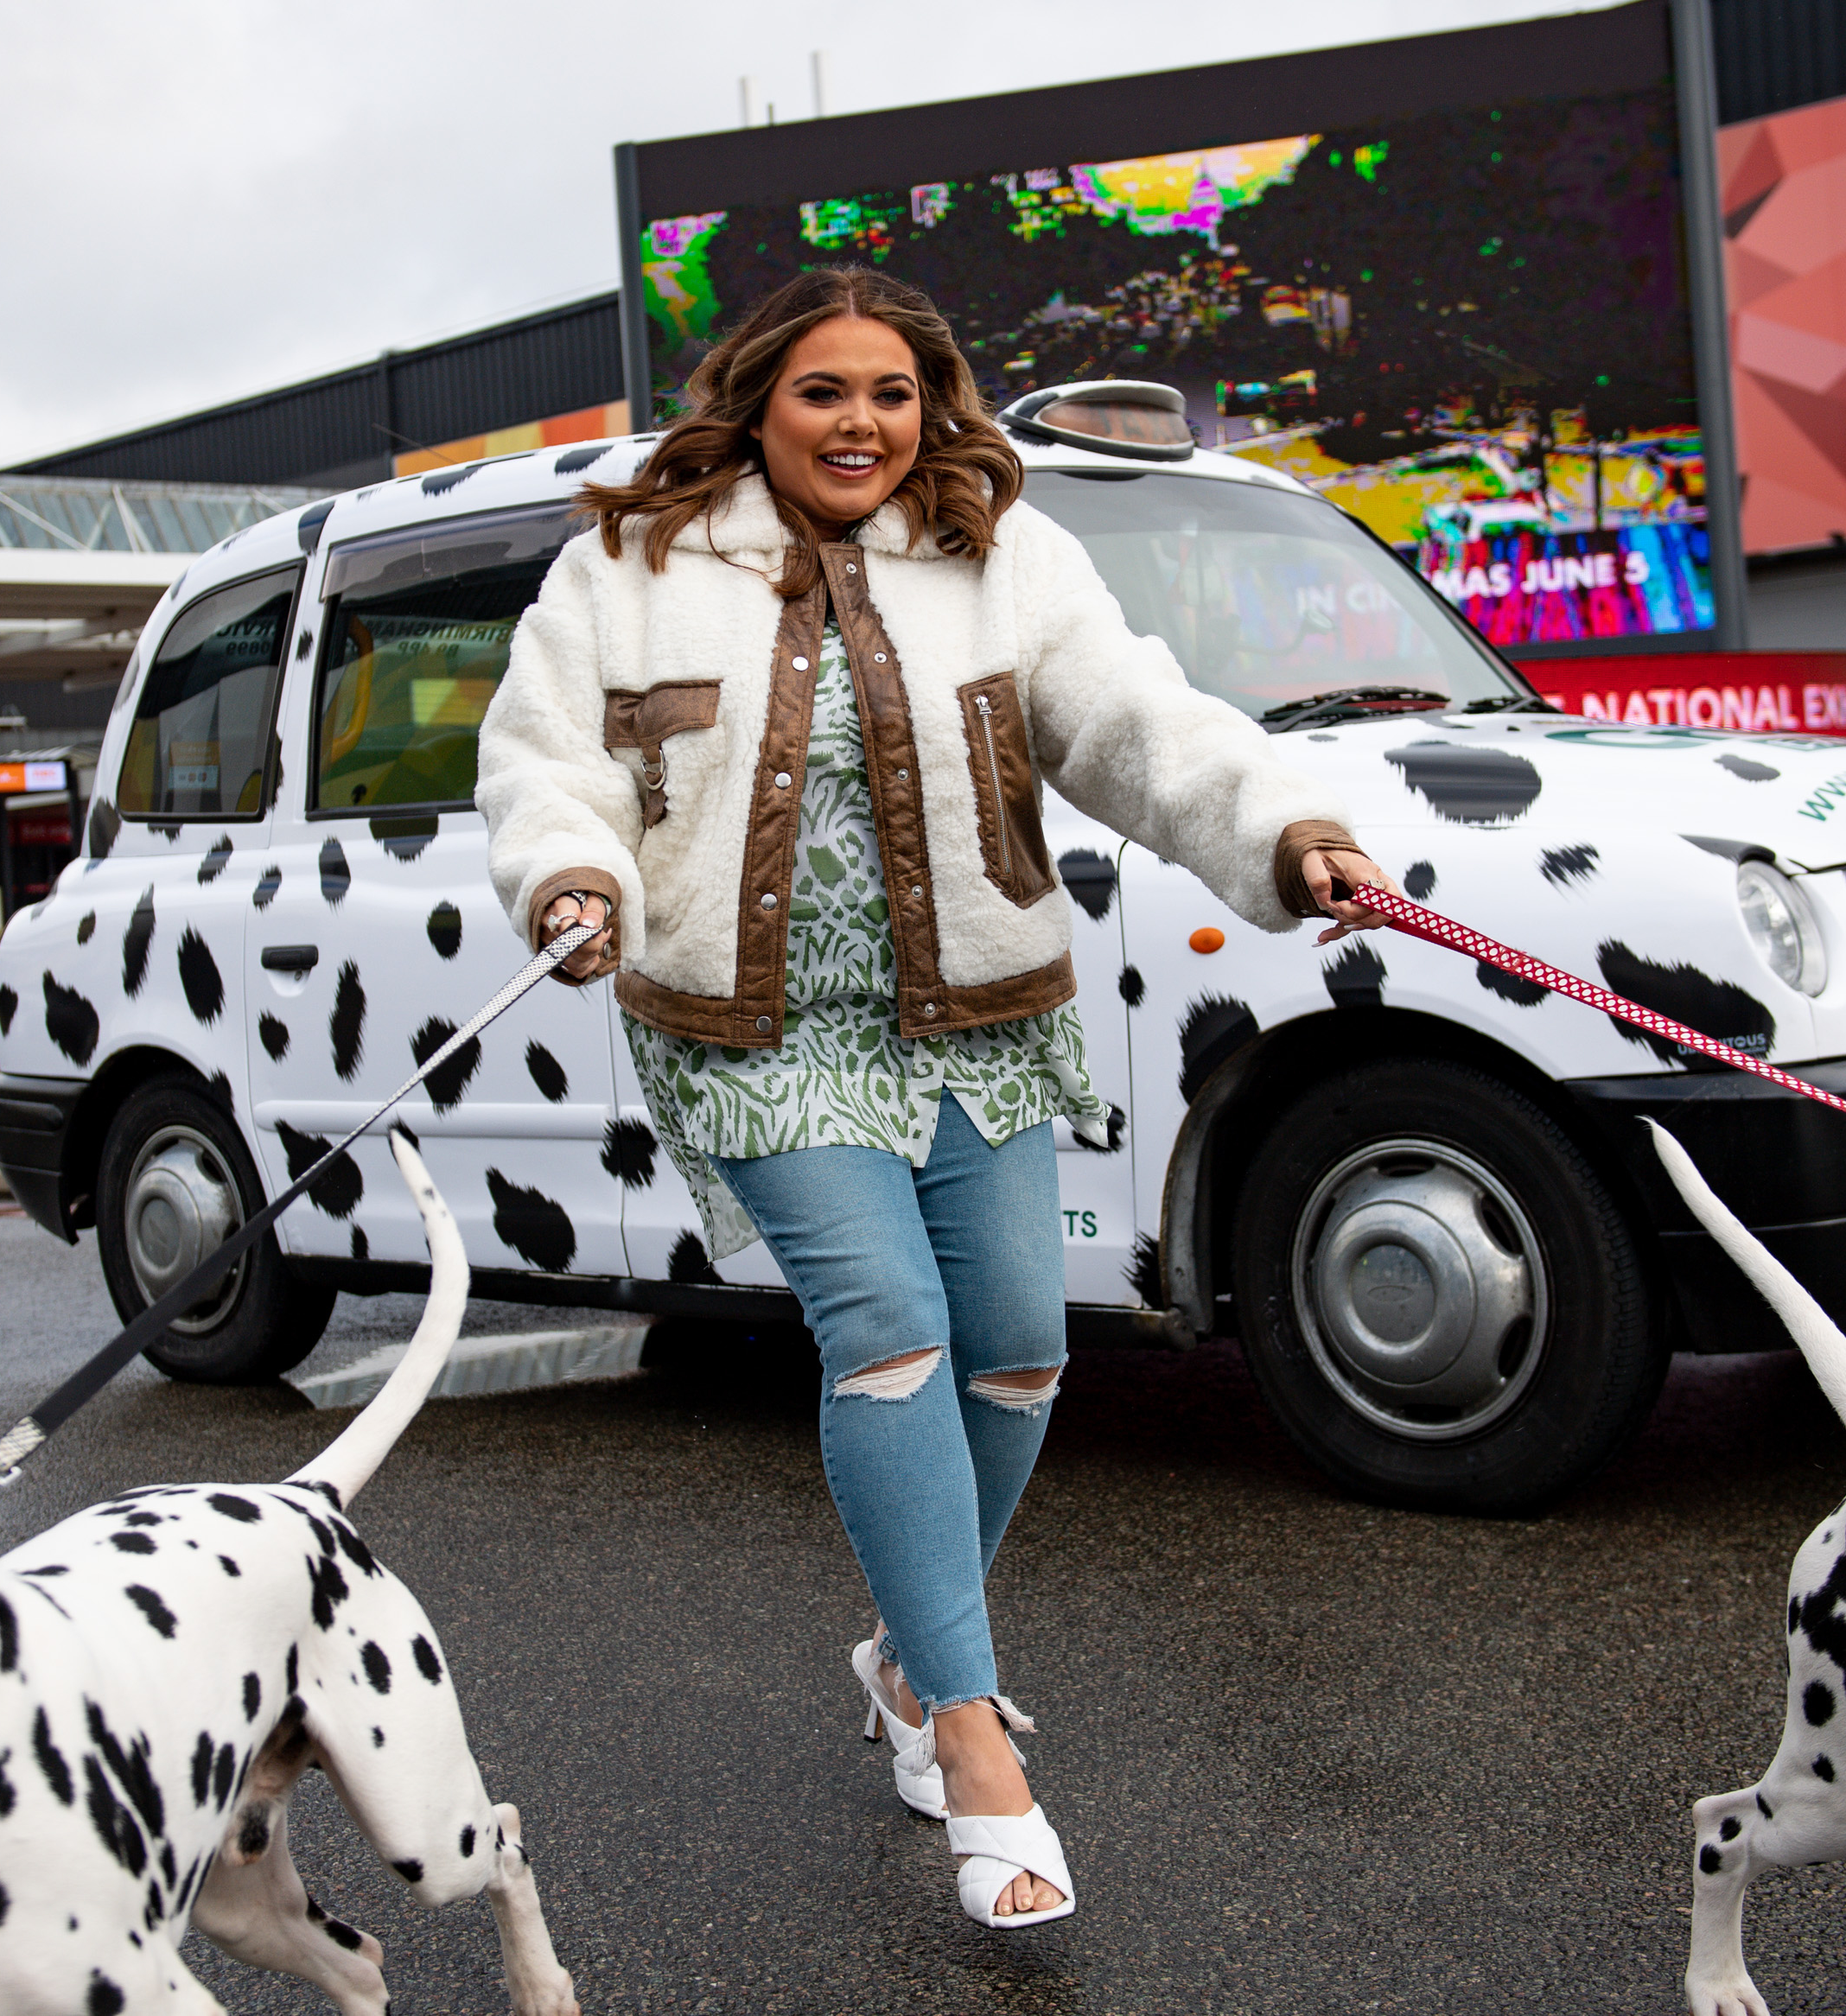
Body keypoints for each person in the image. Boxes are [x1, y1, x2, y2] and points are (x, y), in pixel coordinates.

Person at [476, 267, 1392, 1928]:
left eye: (892, 393)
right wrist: (569, 875)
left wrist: (1284, 833)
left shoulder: (1002, 550)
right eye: (825, 391)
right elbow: (551, 761)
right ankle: (970, 1737)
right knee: (889, 1329)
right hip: (754, 1023)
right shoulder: (629, 562)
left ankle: (907, 1656)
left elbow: (1138, 724)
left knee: (1022, 1347)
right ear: (759, 399)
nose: (863, 424)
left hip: (972, 1007)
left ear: (932, 404)